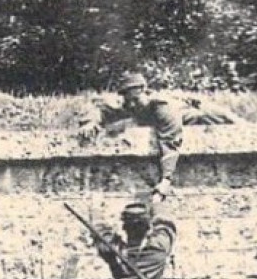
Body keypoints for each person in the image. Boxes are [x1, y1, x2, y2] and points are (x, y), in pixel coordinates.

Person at [77, 72, 238, 202]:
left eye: (135, 100)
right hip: (172, 113)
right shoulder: (130, 106)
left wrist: (166, 180)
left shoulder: (162, 108)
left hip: (195, 114)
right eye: (128, 101)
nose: (132, 105)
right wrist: (89, 122)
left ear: (146, 93)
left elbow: (171, 142)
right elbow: (101, 108)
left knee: (227, 119)